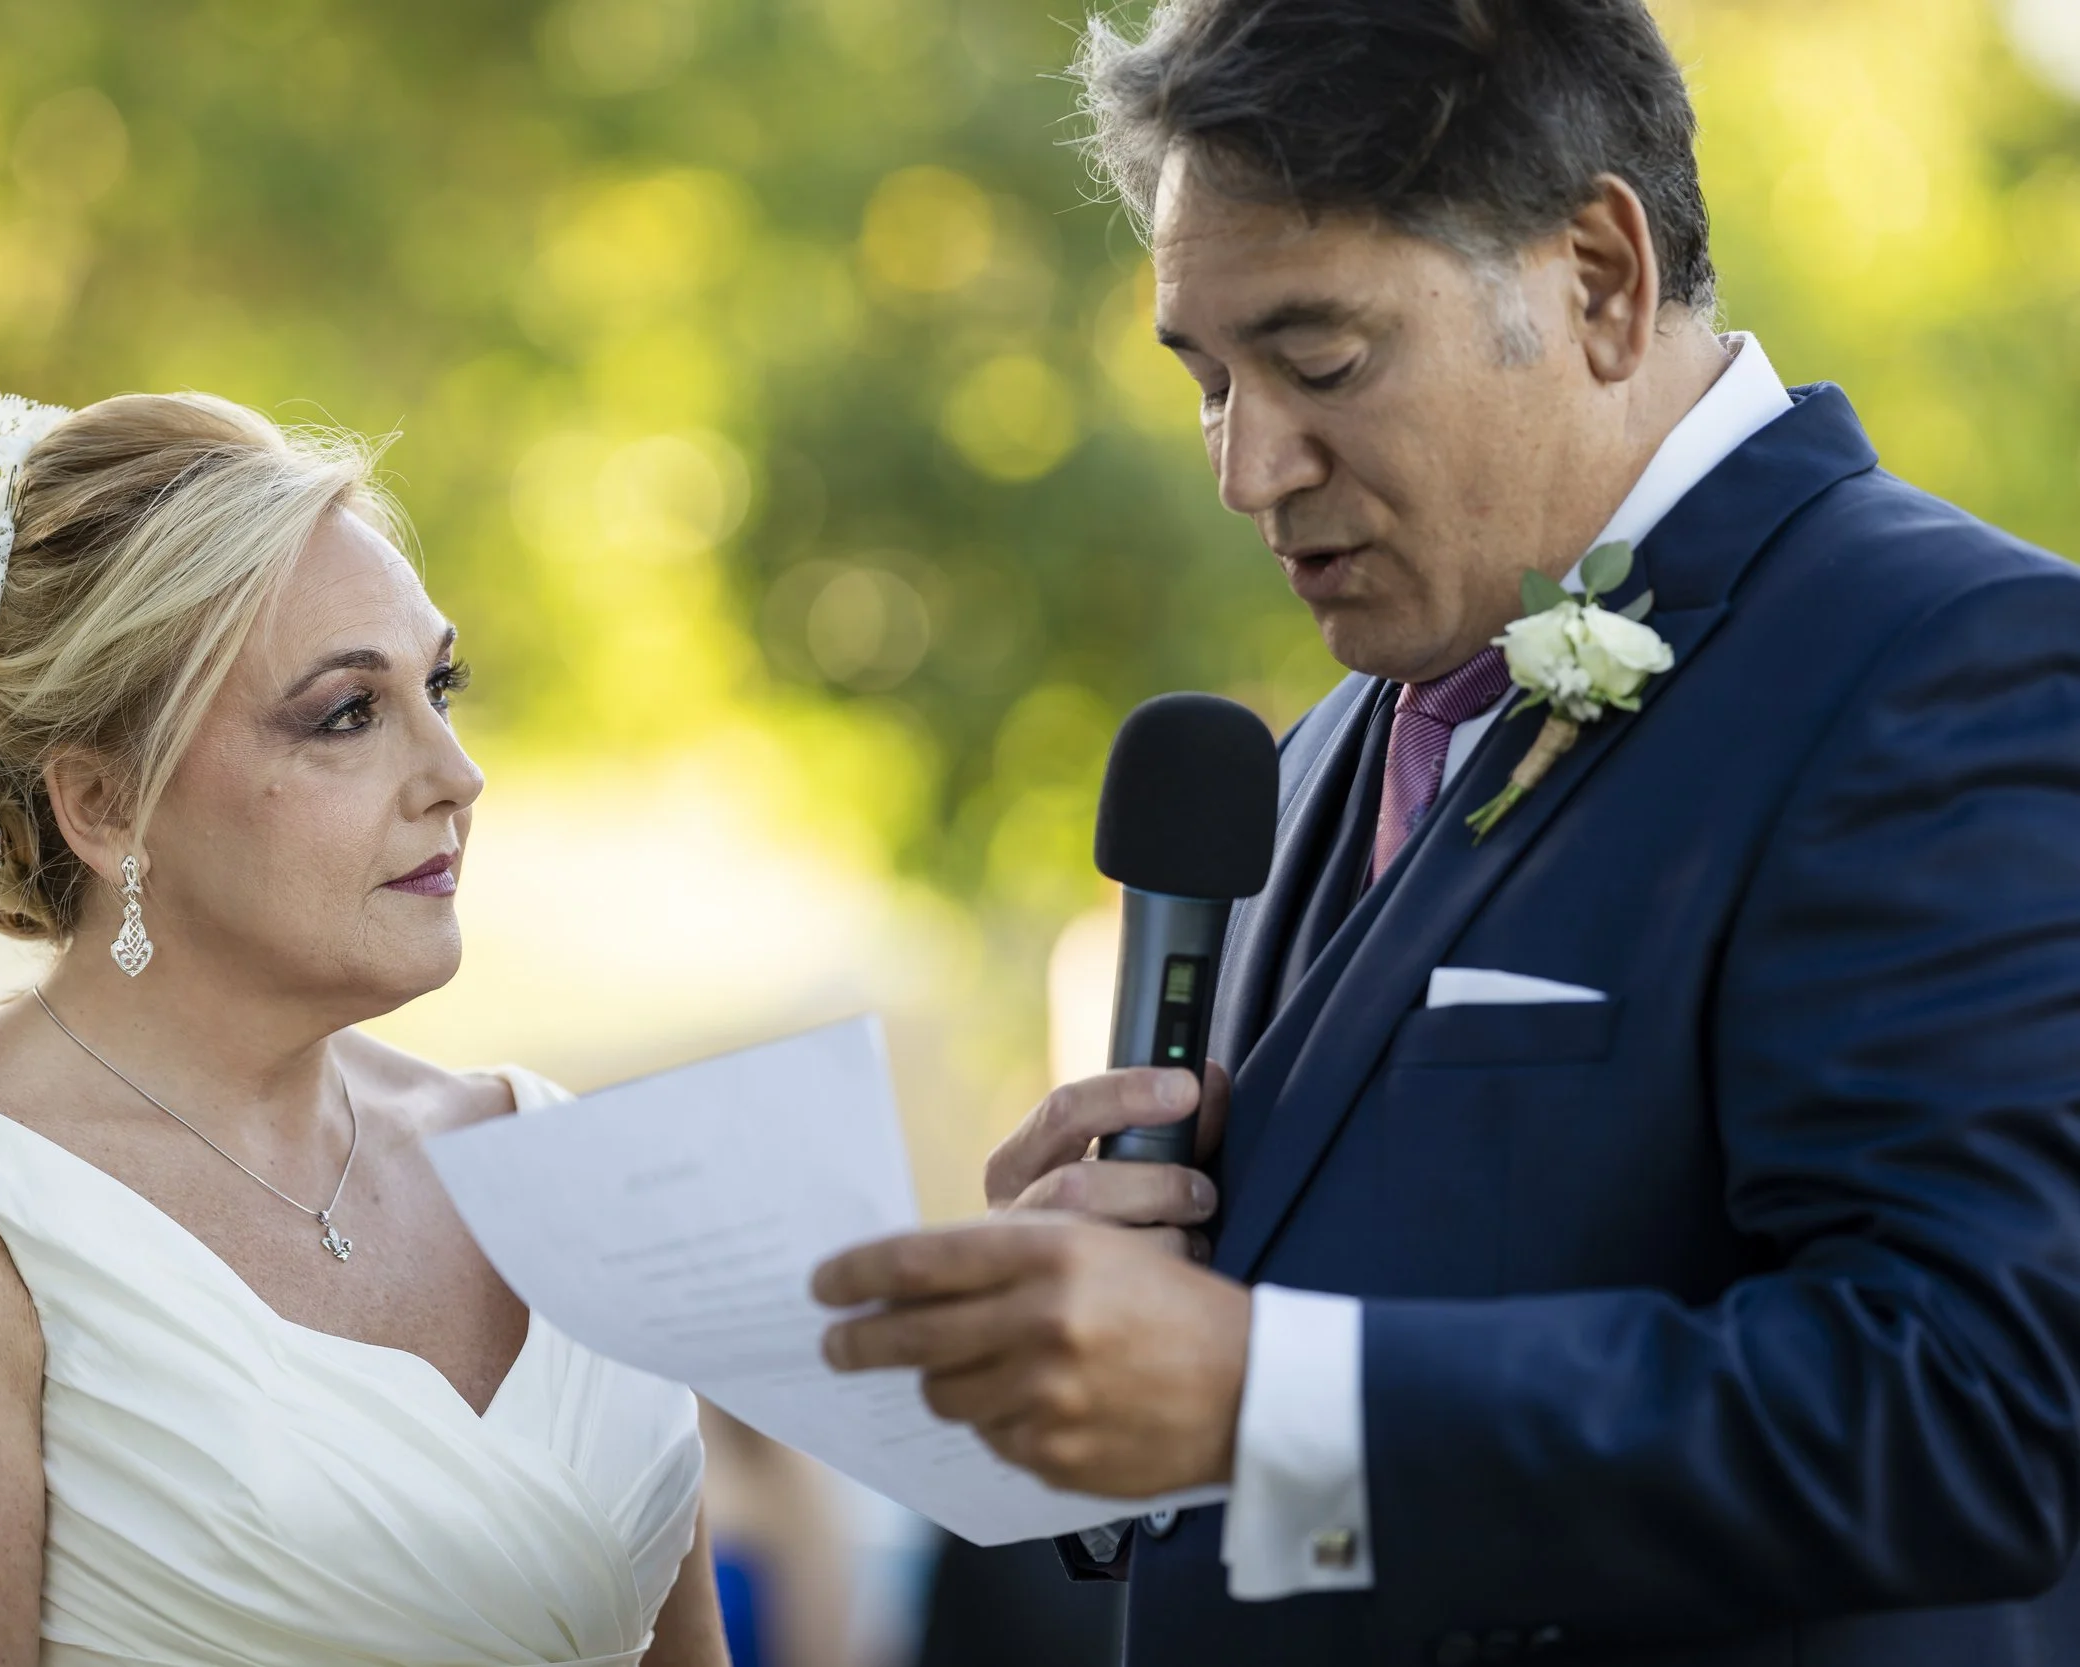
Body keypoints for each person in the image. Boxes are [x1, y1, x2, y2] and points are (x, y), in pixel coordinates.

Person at [810, 2, 2080, 1663]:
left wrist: (1259, 1392)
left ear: (1600, 278)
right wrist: (1102, 1331)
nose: (1248, 469)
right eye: (1207, 383)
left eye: (1321, 361)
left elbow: (1977, 1408)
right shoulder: (1319, 751)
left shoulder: (1949, 663)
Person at [0, 392, 729, 1667]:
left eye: (439, 687)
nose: (457, 775)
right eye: (348, 712)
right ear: (105, 803)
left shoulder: (554, 1153)